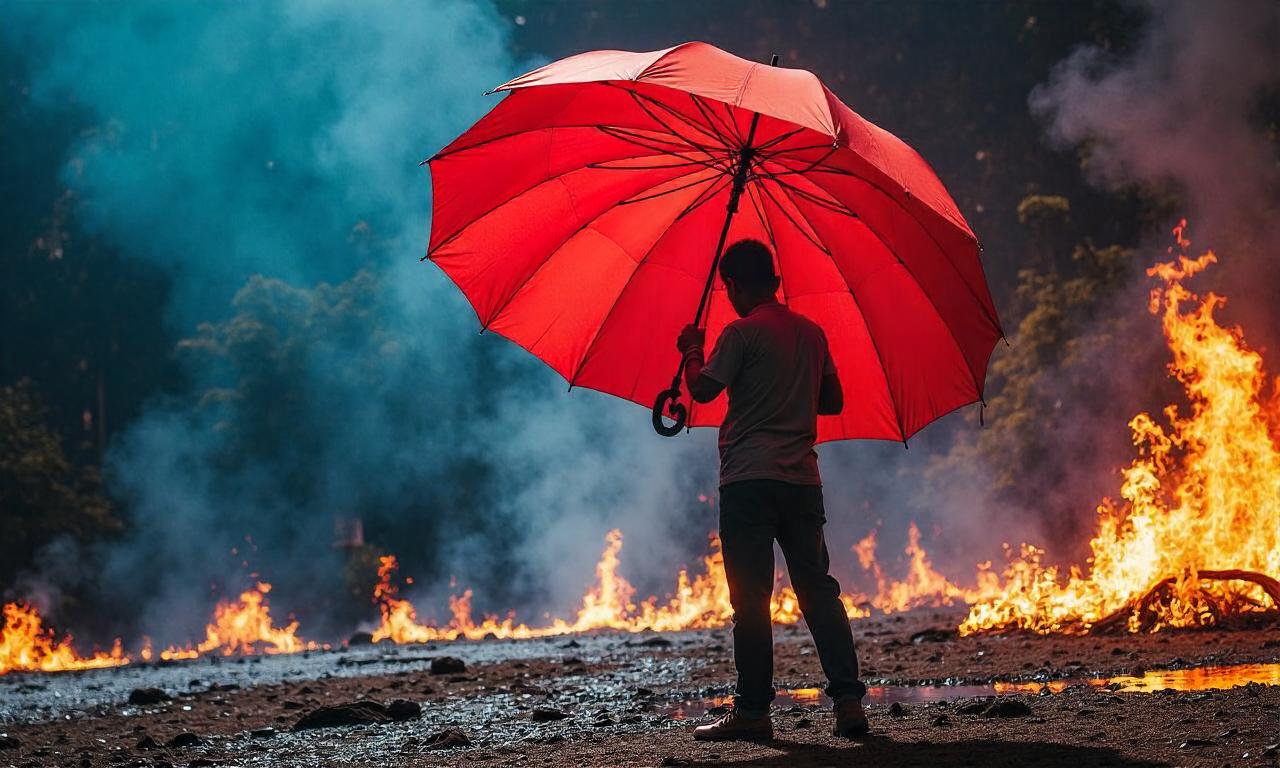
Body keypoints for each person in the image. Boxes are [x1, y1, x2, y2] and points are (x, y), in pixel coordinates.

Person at [676, 239, 869, 741]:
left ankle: (754, 711)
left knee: (752, 599)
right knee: (819, 592)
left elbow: (702, 390)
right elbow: (832, 400)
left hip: (748, 482)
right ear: (776, 283)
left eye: (729, 290)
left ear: (734, 287)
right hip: (803, 481)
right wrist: (792, 388)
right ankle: (848, 702)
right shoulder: (812, 333)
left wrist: (692, 351)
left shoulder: (739, 333)